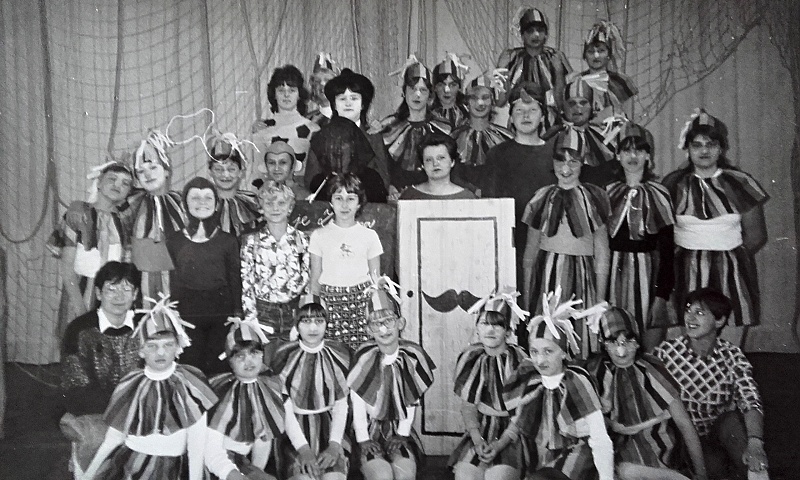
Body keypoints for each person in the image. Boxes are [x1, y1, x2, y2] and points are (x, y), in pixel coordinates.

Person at [81, 295, 218, 480]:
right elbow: (114, 437)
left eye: (168, 345)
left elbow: (197, 445)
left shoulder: (189, 384)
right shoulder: (131, 384)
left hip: (172, 470)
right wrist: (89, 475)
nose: (160, 352)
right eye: (152, 346)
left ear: (178, 347)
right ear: (141, 350)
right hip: (131, 466)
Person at [662, 110, 768, 330]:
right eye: (697, 145)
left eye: (710, 144)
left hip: (731, 270)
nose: (704, 151)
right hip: (686, 270)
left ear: (721, 149)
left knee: (730, 333)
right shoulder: (673, 184)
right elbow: (663, 233)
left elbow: (756, 234)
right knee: (693, 334)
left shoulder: (740, 183)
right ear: (688, 149)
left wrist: (729, 258)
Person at [655, 288, 769, 480]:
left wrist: (756, 443)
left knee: (733, 423)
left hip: (718, 431)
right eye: (688, 310)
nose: (690, 318)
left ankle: (756, 472)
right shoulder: (666, 353)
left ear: (719, 320)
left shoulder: (732, 355)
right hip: (683, 438)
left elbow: (750, 400)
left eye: (699, 313)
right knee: (714, 468)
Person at [503, 289, 614, 480]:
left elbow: (599, 437)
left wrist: (606, 478)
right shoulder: (531, 377)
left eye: (548, 351)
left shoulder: (576, 380)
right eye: (534, 352)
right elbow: (520, 420)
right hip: (544, 454)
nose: (540, 360)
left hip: (579, 452)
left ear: (563, 352)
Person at [586, 307, 707, 480]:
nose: (621, 350)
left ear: (637, 342)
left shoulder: (652, 370)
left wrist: (701, 473)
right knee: (622, 470)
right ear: (603, 343)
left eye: (628, 341)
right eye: (613, 342)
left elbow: (684, 424)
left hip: (659, 449)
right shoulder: (596, 372)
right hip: (618, 451)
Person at [521, 130, 610, 356]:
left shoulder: (595, 197)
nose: (566, 169)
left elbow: (602, 252)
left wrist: (599, 301)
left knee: (579, 339)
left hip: (582, 277)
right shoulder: (541, 197)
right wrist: (529, 297)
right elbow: (530, 253)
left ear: (583, 163)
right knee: (547, 337)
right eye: (560, 161)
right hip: (547, 277)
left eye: (573, 162)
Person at [59, 261, 143, 477]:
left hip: (140, 408)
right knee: (101, 442)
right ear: (98, 293)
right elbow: (74, 387)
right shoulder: (80, 329)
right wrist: (122, 409)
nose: (119, 296)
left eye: (126, 289)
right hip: (97, 410)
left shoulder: (146, 326)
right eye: (111, 289)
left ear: (135, 294)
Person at [347, 280, 437, 480]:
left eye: (388, 320)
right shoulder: (364, 358)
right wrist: (363, 438)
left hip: (398, 427)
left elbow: (412, 399)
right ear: (368, 330)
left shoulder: (411, 357)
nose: (383, 329)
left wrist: (402, 433)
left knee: (405, 472)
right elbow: (358, 401)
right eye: (375, 324)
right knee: (382, 475)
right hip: (368, 429)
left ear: (400, 323)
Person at [606, 122, 676, 351]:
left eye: (639, 150)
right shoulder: (607, 193)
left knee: (648, 349)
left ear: (648, 155)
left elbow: (667, 249)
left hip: (648, 275)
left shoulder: (659, 193)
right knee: (616, 345)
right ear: (618, 155)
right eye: (626, 150)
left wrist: (661, 295)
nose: (633, 156)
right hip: (613, 276)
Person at [449, 289, 529, 480]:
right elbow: (468, 407)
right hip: (482, 429)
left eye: (498, 325)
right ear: (477, 328)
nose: (490, 330)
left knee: (497, 476)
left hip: (512, 432)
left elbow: (525, 411)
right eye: (485, 323)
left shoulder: (520, 361)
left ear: (508, 331)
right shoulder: (471, 357)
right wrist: (478, 440)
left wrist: (501, 444)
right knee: (465, 476)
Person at [271, 294, 351, 480]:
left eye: (319, 321)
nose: (313, 328)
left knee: (334, 477)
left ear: (327, 324)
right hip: (294, 430)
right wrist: (304, 450)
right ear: (297, 324)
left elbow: (341, 405)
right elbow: (284, 408)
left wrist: (334, 445)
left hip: (331, 428)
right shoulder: (284, 356)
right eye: (306, 321)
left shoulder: (339, 354)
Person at [167, 177, 242, 374]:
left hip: (221, 312)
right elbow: (172, 279)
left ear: (216, 204)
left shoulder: (228, 241)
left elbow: (235, 278)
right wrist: (173, 312)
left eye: (208, 198)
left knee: (218, 364)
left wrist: (237, 313)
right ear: (185, 204)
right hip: (188, 313)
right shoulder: (175, 241)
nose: (202, 203)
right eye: (195, 198)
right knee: (190, 363)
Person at [486, 85, 555, 292]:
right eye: (519, 111)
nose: (526, 116)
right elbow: (490, 204)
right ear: (511, 117)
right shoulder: (497, 154)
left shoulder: (555, 154)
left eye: (532, 110)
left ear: (543, 116)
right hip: (510, 241)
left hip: (547, 241)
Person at [49, 160, 134, 320]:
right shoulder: (78, 212)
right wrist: (81, 312)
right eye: (112, 179)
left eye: (125, 183)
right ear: (99, 182)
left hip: (114, 297)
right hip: (80, 295)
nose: (118, 185)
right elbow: (67, 269)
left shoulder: (125, 221)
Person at [205, 317, 285, 480]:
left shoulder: (269, 388)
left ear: (262, 355)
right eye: (240, 356)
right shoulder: (220, 394)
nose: (248, 361)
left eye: (254, 353)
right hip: (220, 467)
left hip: (245, 464)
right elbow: (211, 450)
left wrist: (257, 472)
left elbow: (263, 436)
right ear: (230, 361)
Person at [309, 173, 383, 349]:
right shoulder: (319, 235)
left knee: (362, 352)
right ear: (330, 202)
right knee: (333, 353)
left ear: (359, 203)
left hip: (361, 303)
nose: (344, 205)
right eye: (338, 198)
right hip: (330, 303)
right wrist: (314, 313)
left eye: (350, 199)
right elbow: (315, 280)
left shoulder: (369, 236)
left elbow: (376, 280)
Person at [305, 68, 390, 203]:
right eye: (342, 99)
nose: (348, 103)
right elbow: (311, 179)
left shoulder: (373, 137)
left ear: (363, 104)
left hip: (368, 204)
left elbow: (384, 179)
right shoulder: (321, 136)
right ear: (334, 104)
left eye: (354, 98)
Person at [240, 180, 309, 345]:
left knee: (291, 355)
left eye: (281, 203)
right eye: (269, 203)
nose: (275, 208)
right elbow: (247, 283)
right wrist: (251, 319)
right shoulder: (251, 241)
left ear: (290, 207)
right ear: (261, 208)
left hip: (293, 311)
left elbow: (308, 281)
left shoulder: (302, 240)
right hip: (263, 312)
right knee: (266, 355)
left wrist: (303, 318)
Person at [377, 55, 451, 199]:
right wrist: (390, 186)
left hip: (433, 195)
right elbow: (383, 166)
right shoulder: (389, 126)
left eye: (423, 90)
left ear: (430, 95)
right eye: (412, 88)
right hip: (397, 196)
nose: (417, 95)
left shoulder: (443, 128)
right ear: (404, 92)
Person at [127, 130, 187, 298]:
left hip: (179, 283)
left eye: (153, 167)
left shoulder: (183, 202)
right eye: (141, 171)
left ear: (167, 171)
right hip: (141, 285)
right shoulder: (130, 204)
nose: (148, 174)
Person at [252, 65, 321, 186]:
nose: (286, 95)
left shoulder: (313, 129)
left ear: (299, 94)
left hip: (302, 192)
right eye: (281, 90)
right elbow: (258, 174)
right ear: (274, 94)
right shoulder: (262, 130)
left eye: (292, 90)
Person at [496, 6, 572, 110]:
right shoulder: (511, 57)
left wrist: (559, 72)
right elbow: (499, 102)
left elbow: (564, 105)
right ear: (522, 35)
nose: (536, 35)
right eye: (530, 31)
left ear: (546, 34)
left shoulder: (556, 56)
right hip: (518, 114)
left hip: (550, 115)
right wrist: (501, 69)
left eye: (540, 30)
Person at [451, 74, 514, 196]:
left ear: (492, 101)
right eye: (474, 98)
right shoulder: (454, 137)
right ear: (467, 102)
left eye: (485, 98)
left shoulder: (505, 137)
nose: (480, 103)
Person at [576, 21, 638, 121]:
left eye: (601, 51)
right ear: (585, 55)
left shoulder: (622, 82)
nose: (596, 56)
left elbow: (628, 117)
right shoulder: (576, 81)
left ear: (609, 54)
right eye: (591, 52)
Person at [205, 130, 264, 238]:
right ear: (210, 172)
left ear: (241, 172)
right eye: (218, 169)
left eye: (231, 169)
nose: (225, 175)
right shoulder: (203, 203)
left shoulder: (252, 202)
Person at [399, 132, 476, 200]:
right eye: (429, 160)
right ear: (422, 165)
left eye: (441, 158)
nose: (435, 164)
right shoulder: (409, 196)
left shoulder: (467, 197)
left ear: (452, 162)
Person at [431, 53, 470, 129]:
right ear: (435, 87)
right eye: (441, 85)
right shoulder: (427, 114)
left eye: (452, 85)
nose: (446, 90)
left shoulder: (467, 115)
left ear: (459, 87)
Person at [306, 52, 340, 126]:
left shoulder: (349, 118)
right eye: (317, 81)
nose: (322, 84)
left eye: (327, 80)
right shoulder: (307, 120)